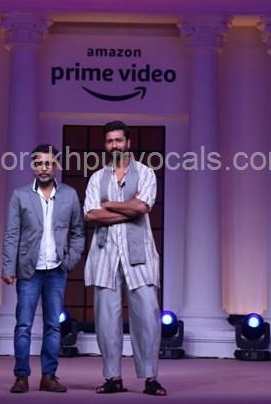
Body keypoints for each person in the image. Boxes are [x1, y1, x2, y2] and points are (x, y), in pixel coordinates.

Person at [83, 121, 167, 396]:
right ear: (105, 145)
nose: (114, 145)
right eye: (110, 141)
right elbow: (91, 214)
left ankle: (150, 378)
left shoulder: (145, 173)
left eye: (119, 140)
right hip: (105, 255)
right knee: (106, 320)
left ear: (128, 143)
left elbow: (143, 206)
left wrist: (108, 205)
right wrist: (128, 209)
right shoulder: (97, 177)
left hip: (139, 256)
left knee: (148, 318)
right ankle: (113, 377)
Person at [2, 143, 85, 393]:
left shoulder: (69, 195)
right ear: (33, 166)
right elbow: (11, 234)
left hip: (57, 269)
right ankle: (21, 376)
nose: (44, 168)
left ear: (56, 165)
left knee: (53, 325)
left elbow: (78, 232)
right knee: (23, 325)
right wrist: (8, 267)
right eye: (39, 163)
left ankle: (49, 376)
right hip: (29, 270)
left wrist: (69, 261)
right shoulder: (20, 195)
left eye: (49, 163)